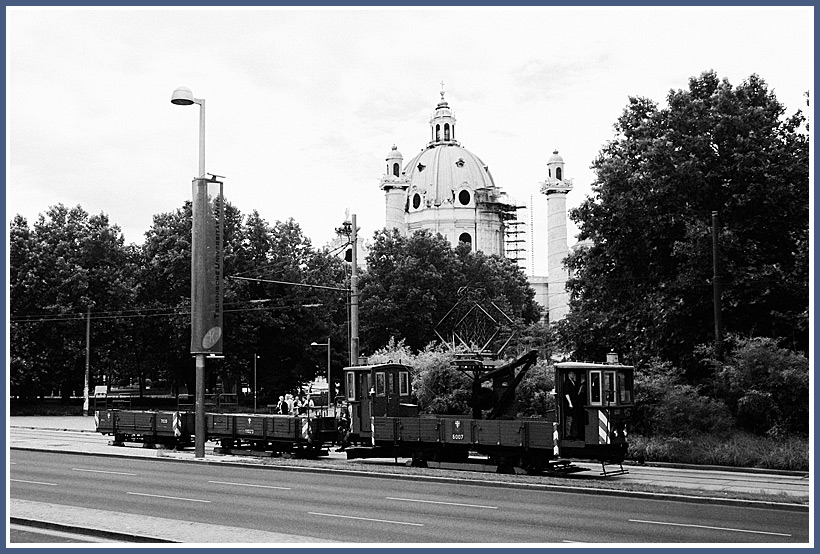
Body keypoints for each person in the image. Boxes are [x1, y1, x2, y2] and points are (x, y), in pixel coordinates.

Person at [564, 371, 581, 439]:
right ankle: (568, 434)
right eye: (572, 374)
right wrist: (570, 403)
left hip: (575, 403)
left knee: (574, 419)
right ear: (569, 374)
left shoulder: (574, 382)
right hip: (570, 405)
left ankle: (574, 434)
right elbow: (566, 393)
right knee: (569, 419)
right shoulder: (567, 383)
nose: (573, 375)